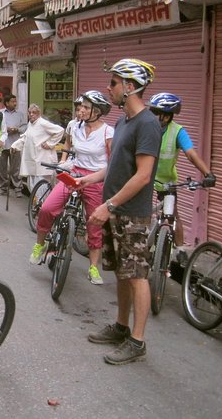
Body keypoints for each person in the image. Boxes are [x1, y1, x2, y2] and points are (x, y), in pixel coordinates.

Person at [78, 58, 161, 365]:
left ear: (129, 87)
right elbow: (116, 166)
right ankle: (122, 326)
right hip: (115, 210)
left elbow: (142, 175)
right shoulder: (123, 122)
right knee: (123, 274)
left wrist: (108, 205)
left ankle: (137, 341)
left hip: (131, 212)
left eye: (113, 83)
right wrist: (91, 178)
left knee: (137, 275)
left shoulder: (148, 124)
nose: (108, 88)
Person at [29, 91, 114, 287]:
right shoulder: (74, 126)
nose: (80, 110)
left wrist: (99, 180)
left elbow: (112, 162)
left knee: (94, 223)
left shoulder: (108, 132)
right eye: (80, 107)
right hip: (74, 174)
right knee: (47, 208)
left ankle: (93, 267)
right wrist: (64, 162)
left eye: (85, 107)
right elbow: (69, 144)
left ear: (97, 111)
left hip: (95, 179)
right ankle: (40, 244)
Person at [147, 92, 216, 248]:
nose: (151, 115)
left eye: (155, 112)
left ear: (166, 117)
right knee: (141, 215)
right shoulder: (146, 127)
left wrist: (207, 173)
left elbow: (191, 154)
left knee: (173, 217)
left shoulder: (177, 131)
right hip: (144, 179)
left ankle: (179, 252)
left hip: (167, 182)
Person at [12, 104, 64, 191]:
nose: (31, 114)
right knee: (33, 189)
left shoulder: (43, 123)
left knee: (42, 190)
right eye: (30, 112)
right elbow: (25, 137)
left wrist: (50, 143)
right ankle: (36, 205)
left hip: (43, 162)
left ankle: (42, 205)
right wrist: (15, 146)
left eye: (34, 112)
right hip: (33, 162)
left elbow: (60, 130)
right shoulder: (31, 124)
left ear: (39, 114)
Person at [0, 94, 26, 198]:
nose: (15, 103)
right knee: (1, 168)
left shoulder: (20, 114)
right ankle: (3, 188)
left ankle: (18, 188)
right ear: (7, 103)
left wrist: (16, 129)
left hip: (15, 144)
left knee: (16, 168)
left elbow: (25, 127)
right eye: (13, 101)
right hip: (2, 144)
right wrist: (5, 130)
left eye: (15, 101)